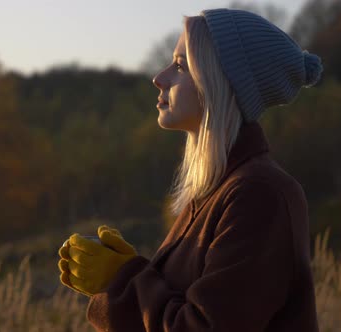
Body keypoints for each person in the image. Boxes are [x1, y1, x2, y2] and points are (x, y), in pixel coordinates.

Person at [58, 7, 322, 332]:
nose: (159, 78)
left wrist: (123, 281)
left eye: (181, 66)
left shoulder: (259, 195)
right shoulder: (215, 190)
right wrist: (132, 274)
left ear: (218, 82)